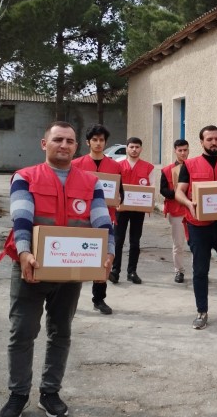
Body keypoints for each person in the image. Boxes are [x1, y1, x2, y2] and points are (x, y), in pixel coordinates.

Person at [0, 121, 115, 417]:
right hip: (31, 268)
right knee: (22, 332)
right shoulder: (25, 177)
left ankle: (50, 392)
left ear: (76, 147)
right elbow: (21, 219)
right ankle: (18, 394)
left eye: (70, 141)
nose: (64, 145)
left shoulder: (91, 182)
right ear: (44, 144)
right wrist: (24, 252)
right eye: (58, 139)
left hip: (70, 270)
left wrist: (108, 254)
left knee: (60, 332)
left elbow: (102, 221)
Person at [175, 125, 217, 331]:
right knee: (200, 270)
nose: (214, 142)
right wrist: (189, 203)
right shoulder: (189, 165)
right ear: (201, 142)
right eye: (209, 139)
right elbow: (179, 191)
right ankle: (202, 312)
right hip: (199, 227)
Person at [71, 123, 123, 314]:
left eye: (101, 140)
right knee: (75, 256)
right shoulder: (76, 164)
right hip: (80, 216)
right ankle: (70, 299)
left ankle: (99, 299)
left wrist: (119, 200)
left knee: (103, 259)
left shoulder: (115, 166)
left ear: (105, 142)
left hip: (105, 218)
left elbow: (120, 192)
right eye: (94, 140)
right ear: (88, 142)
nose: (98, 143)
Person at [111, 136, 154, 284]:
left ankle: (132, 272)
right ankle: (115, 271)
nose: (134, 150)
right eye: (131, 147)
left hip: (138, 209)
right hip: (120, 208)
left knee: (135, 242)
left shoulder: (148, 167)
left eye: (137, 147)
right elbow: (114, 187)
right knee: (118, 240)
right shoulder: (117, 165)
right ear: (127, 148)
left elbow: (151, 189)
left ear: (141, 149)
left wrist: (148, 205)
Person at [160, 139, 190, 283]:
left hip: (194, 210)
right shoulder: (167, 170)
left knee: (198, 244)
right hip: (177, 211)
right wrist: (177, 193)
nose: (183, 153)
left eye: (185, 150)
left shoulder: (194, 167)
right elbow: (163, 190)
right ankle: (179, 271)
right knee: (178, 244)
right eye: (180, 150)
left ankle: (200, 271)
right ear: (175, 151)